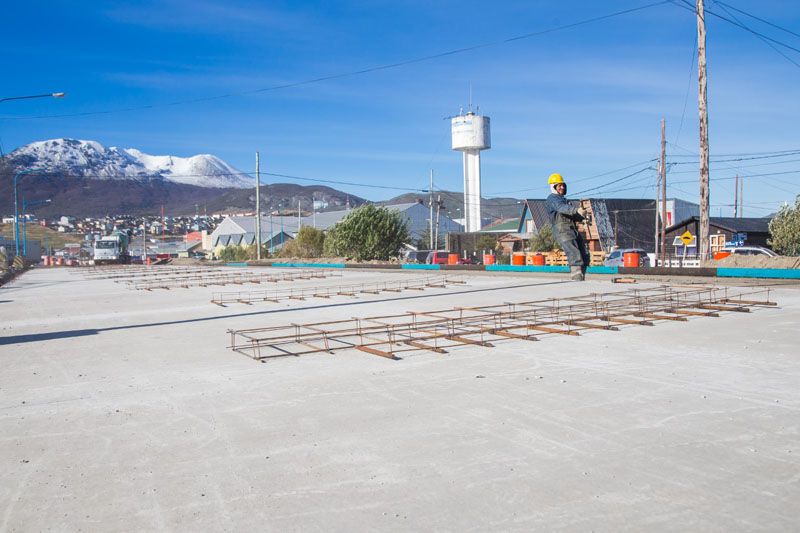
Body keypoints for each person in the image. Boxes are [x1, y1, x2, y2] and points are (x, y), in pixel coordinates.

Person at [545, 173, 590, 281]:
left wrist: (582, 218)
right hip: (562, 230)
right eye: (559, 185)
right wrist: (575, 210)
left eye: (563, 185)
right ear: (553, 187)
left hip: (572, 229)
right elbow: (561, 208)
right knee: (573, 252)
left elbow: (570, 214)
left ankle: (581, 276)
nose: (562, 187)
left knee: (584, 253)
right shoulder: (553, 199)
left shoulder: (564, 200)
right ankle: (576, 277)